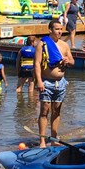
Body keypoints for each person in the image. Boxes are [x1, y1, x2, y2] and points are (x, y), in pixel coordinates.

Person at [34, 20, 73, 148]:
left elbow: (72, 62)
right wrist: (39, 81)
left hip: (60, 83)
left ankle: (54, 138)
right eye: (57, 29)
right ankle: (42, 141)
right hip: (46, 82)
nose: (60, 31)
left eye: (61, 29)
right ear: (50, 30)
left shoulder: (64, 45)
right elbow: (37, 64)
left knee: (56, 111)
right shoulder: (42, 44)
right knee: (45, 110)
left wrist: (67, 60)